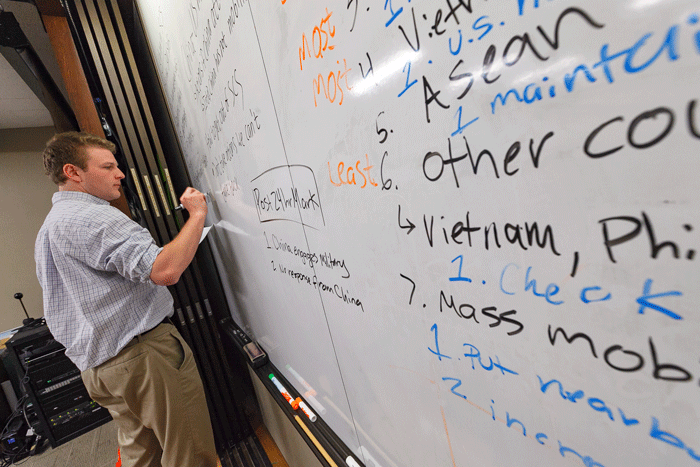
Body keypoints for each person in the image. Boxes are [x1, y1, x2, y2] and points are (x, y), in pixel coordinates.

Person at [34, 132, 219, 467]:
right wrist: (196, 215)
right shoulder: (93, 217)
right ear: (73, 172)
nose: (120, 174)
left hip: (100, 370)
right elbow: (165, 270)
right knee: (190, 453)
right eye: (107, 167)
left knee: (140, 454)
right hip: (142, 357)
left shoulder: (50, 227)